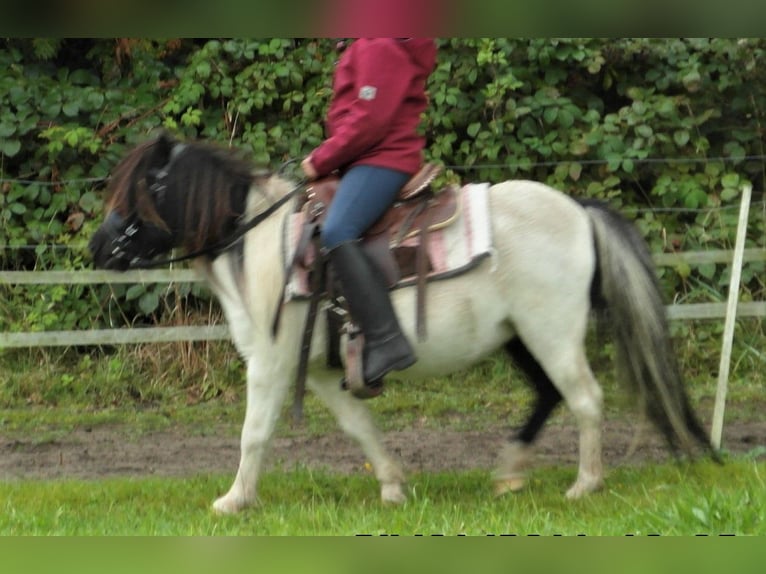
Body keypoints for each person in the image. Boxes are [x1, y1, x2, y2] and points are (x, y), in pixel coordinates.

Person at [301, 37, 437, 398]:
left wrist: (321, 159)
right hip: (367, 158)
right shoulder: (371, 40)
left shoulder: (380, 43)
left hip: (382, 158)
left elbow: (370, 120)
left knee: (338, 230)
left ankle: (387, 340)